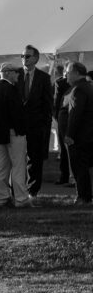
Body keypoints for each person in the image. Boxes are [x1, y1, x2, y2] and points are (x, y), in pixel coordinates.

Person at [0, 62, 32, 208]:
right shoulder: (12, 89)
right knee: (18, 166)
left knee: (1, 167)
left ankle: (3, 198)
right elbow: (17, 113)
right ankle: (21, 199)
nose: (18, 74)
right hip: (14, 132)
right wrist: (23, 129)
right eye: (15, 72)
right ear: (7, 72)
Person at [18, 45, 53, 198]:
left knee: (35, 159)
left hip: (36, 126)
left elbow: (47, 104)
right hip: (17, 125)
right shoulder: (15, 75)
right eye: (22, 56)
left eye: (27, 56)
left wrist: (44, 126)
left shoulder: (44, 78)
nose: (23, 59)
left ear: (36, 59)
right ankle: (17, 191)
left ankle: (33, 191)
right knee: (17, 159)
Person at [62, 61, 93, 204]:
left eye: (68, 72)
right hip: (88, 135)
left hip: (79, 136)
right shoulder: (89, 86)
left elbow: (75, 114)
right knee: (85, 167)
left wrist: (69, 134)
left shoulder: (78, 89)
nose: (66, 75)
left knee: (79, 167)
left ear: (75, 73)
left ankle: (83, 197)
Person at [52, 64, 72, 186]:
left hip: (63, 118)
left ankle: (64, 176)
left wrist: (57, 117)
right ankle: (69, 177)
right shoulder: (83, 82)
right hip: (71, 117)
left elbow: (56, 101)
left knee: (63, 149)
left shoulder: (60, 83)